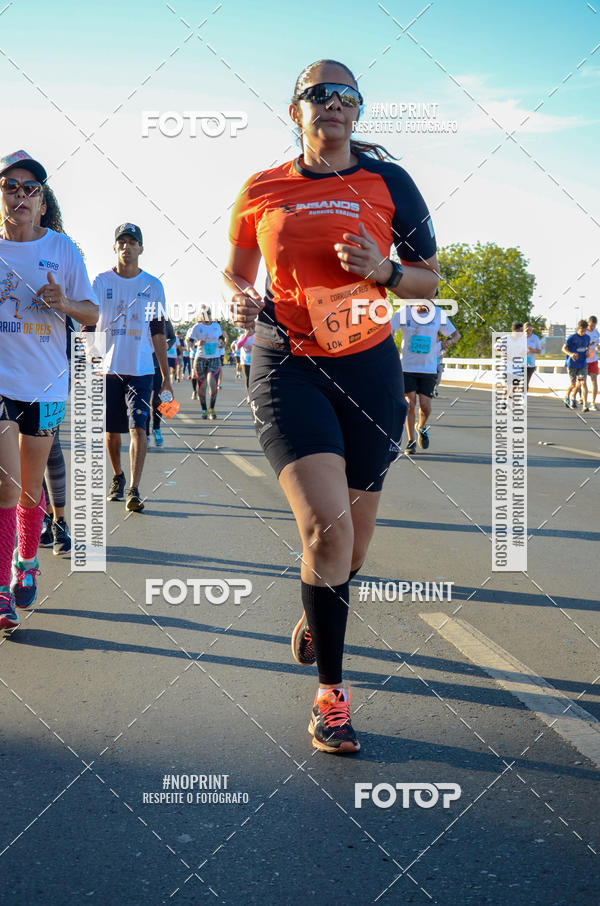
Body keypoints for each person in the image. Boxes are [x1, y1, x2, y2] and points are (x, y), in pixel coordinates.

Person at [225, 60, 438, 753]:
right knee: (326, 531)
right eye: (319, 94)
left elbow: (429, 278)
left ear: (359, 111)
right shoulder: (262, 188)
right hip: (287, 365)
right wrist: (241, 298)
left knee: (353, 545)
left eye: (347, 95)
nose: (334, 104)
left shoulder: (390, 183)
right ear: (297, 110)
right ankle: (331, 699)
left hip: (369, 367)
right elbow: (239, 271)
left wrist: (384, 270)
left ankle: (321, 605)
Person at [0, 150, 98, 628]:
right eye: (10, 186)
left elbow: (94, 314)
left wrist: (66, 303)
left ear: (42, 202)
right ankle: (2, 591)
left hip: (46, 385)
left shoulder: (62, 250)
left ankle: (27, 560)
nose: (19, 194)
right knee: (4, 483)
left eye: (30, 188)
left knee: (27, 485)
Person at [91, 223, 173, 512]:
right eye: (122, 242)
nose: (127, 246)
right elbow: (89, 323)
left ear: (141, 248)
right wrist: (87, 359)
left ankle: (134, 489)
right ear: (115, 247)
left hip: (141, 370)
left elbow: (158, 332)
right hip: (108, 369)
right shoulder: (101, 282)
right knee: (111, 431)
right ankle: (118, 476)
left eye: (132, 242)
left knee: (139, 427)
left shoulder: (152, 285)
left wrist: (166, 376)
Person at [392, 301, 459, 453]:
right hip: (407, 367)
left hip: (428, 369)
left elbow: (456, 335)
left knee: (425, 406)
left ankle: (420, 427)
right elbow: (389, 331)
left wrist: (448, 342)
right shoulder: (404, 312)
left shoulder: (438, 313)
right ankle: (411, 441)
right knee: (410, 404)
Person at [189, 307, 224, 419]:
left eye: (208, 313)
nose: (206, 316)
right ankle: (204, 410)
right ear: (201, 315)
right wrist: (197, 344)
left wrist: (222, 343)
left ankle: (212, 409)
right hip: (200, 359)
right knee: (202, 386)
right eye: (204, 314)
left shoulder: (216, 326)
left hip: (214, 358)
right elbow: (190, 343)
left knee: (212, 383)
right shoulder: (197, 327)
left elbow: (221, 338)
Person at [148, 317, 176, 447]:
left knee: (158, 400)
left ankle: (157, 428)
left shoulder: (164, 320)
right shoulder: (139, 316)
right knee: (144, 401)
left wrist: (168, 345)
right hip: (143, 365)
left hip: (159, 366)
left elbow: (172, 338)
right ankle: (145, 432)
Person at [562, 320, 590, 410]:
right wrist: (571, 354)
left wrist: (587, 352)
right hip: (572, 364)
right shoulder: (572, 337)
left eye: (585, 331)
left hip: (582, 364)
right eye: (582, 330)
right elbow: (563, 348)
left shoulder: (587, 337)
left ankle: (585, 405)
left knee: (583, 383)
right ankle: (567, 396)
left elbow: (587, 347)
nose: (583, 332)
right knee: (573, 384)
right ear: (578, 328)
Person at [524, 322, 542, 391]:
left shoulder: (535, 338)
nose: (528, 332)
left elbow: (539, 351)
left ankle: (523, 395)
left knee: (525, 382)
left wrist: (532, 350)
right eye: (527, 330)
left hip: (530, 363)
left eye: (530, 330)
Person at [586, 316, 599, 411]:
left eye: (594, 326)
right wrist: (587, 346)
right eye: (591, 326)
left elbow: (597, 344)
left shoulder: (596, 332)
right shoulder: (583, 332)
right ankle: (579, 397)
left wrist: (597, 347)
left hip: (593, 359)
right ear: (588, 323)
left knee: (594, 380)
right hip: (583, 359)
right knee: (580, 382)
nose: (592, 328)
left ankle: (593, 403)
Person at [236, 329, 254, 398]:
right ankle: (249, 395)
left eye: (251, 328)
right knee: (248, 378)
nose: (249, 330)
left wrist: (253, 349)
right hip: (245, 361)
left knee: (254, 378)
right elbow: (238, 346)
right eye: (247, 329)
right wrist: (246, 336)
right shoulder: (242, 336)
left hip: (254, 361)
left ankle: (254, 394)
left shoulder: (256, 336)